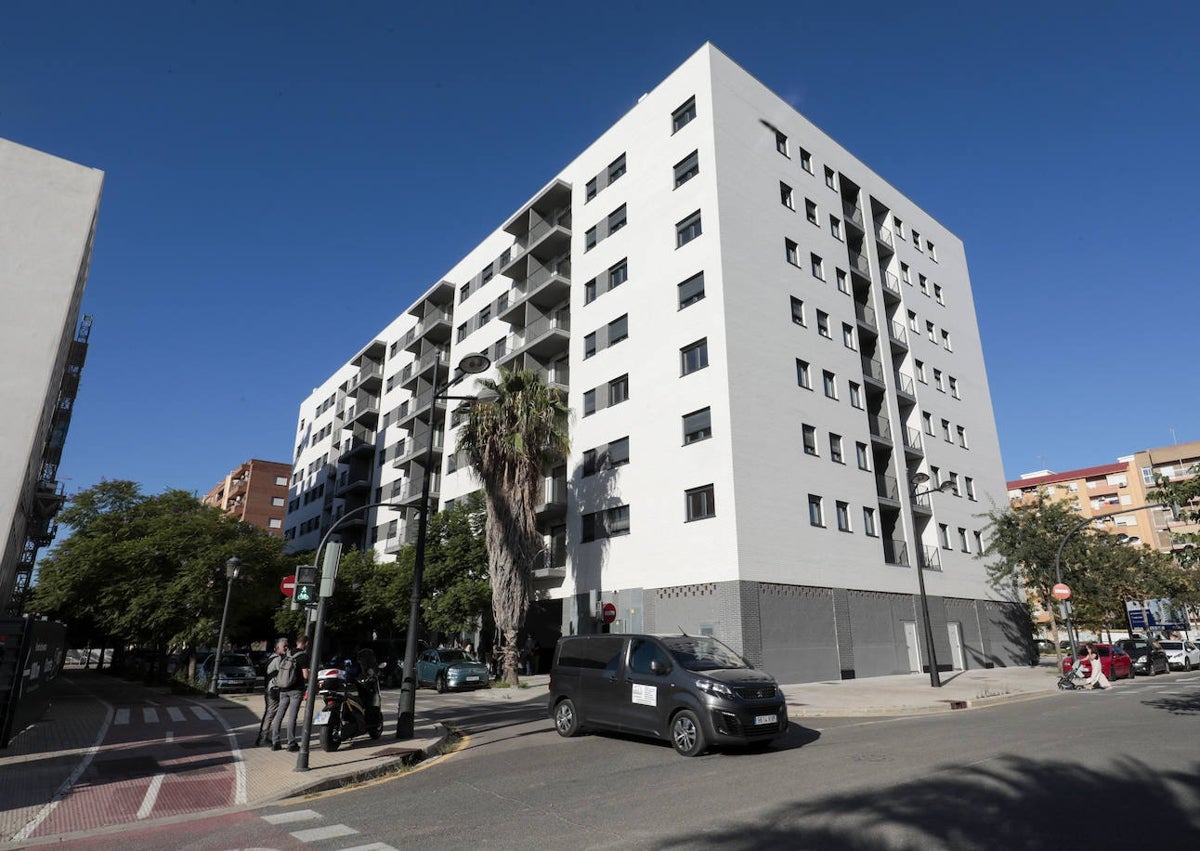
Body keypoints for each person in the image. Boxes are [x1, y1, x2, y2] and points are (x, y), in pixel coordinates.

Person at [271, 635, 311, 751]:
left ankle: (275, 742)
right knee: (292, 717)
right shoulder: (303, 656)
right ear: (306, 644)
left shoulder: (287, 654)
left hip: (283, 689)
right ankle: (291, 743)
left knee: (279, 715)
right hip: (296, 690)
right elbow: (305, 675)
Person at [256, 637, 288, 746]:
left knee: (270, 713)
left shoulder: (272, 658)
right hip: (273, 690)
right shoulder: (277, 659)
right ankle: (262, 738)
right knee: (270, 713)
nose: (286, 648)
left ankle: (263, 737)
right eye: (284, 646)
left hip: (270, 689)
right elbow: (285, 672)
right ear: (277, 648)